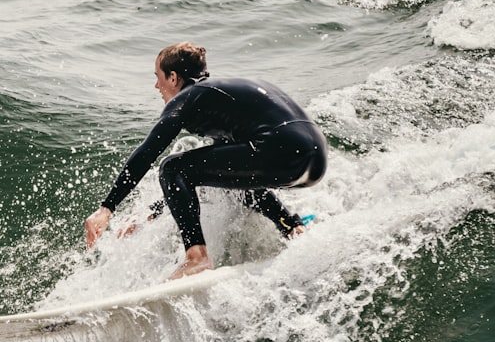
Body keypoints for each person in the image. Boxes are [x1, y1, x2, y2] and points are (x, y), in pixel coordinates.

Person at [84, 42, 327, 279]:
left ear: (173, 77)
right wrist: (152, 212)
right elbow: (217, 176)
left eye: (158, 76)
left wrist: (107, 208)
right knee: (229, 183)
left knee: (171, 167)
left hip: (281, 149)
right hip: (314, 158)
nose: (156, 85)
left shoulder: (190, 97)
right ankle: (292, 228)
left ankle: (197, 258)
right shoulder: (222, 98)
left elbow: (149, 151)